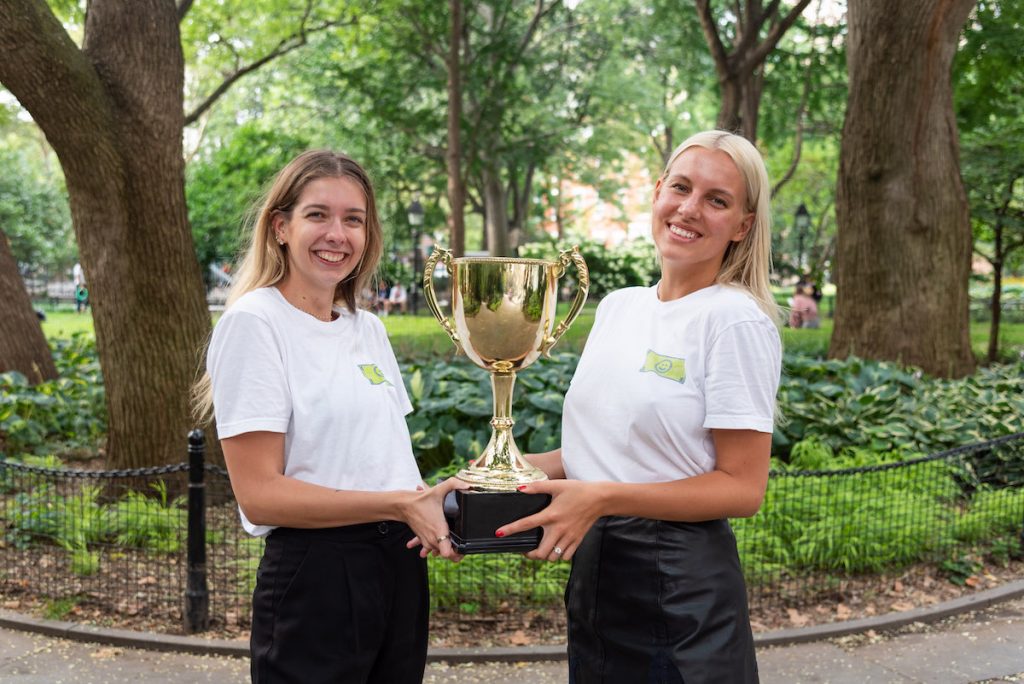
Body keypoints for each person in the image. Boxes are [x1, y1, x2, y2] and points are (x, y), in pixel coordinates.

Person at [498, 130, 782, 683]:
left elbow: (743, 488)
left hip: (682, 587)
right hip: (598, 577)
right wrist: (500, 474)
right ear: (657, 192)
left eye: (717, 200)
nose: (690, 209)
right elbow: (594, 452)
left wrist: (602, 496)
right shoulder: (618, 308)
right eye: (681, 187)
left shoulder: (734, 320)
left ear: (743, 226)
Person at [192, 150, 464, 684]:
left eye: (353, 219)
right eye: (318, 215)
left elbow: (382, 464)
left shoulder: (368, 329)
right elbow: (260, 494)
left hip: (399, 564)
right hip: (317, 574)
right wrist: (400, 503)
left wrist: (445, 505)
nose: (337, 234)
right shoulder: (255, 323)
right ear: (280, 228)